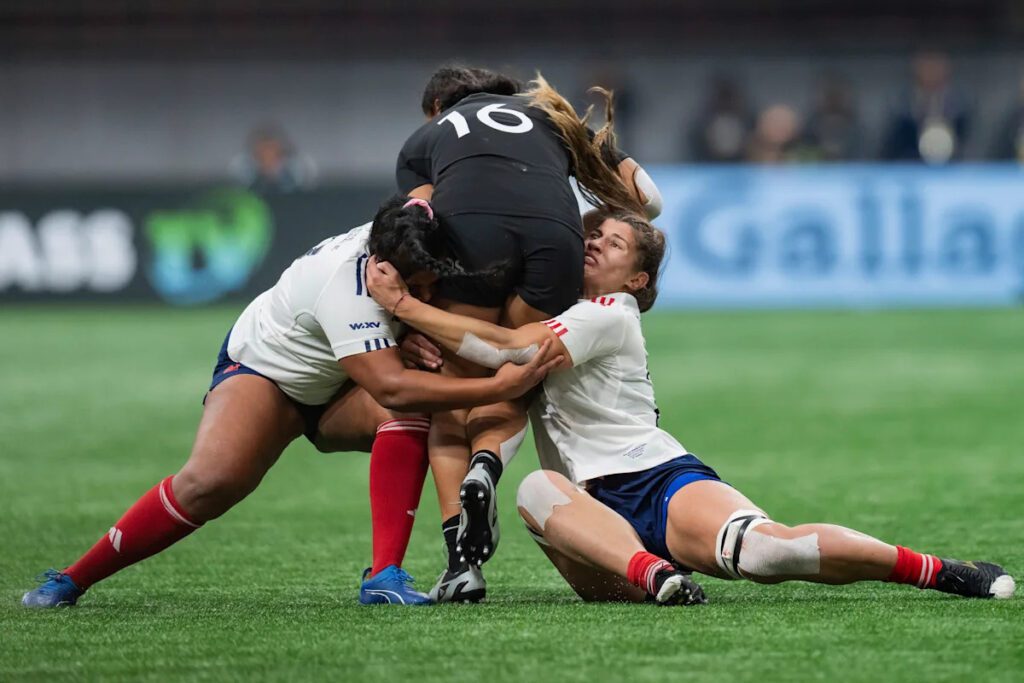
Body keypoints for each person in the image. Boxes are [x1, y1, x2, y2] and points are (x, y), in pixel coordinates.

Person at [367, 206, 1016, 604]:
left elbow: (508, 352)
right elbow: (503, 365)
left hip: (654, 479)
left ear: (636, 280)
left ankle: (935, 570)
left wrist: (405, 308)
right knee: (539, 489)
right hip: (591, 516)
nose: (593, 243)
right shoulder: (552, 306)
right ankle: (656, 574)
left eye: (613, 244)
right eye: (593, 235)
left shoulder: (606, 311)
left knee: (769, 553)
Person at [21, 196, 561, 609]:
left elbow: (422, 191)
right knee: (211, 481)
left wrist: (400, 328)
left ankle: (384, 577)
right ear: (383, 267)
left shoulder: (401, 236)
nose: (421, 298)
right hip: (267, 372)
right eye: (414, 288)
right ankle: (73, 578)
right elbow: (391, 387)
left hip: (335, 382)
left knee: (413, 408)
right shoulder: (346, 287)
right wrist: (495, 389)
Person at [397, 66, 661, 601]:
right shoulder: (550, 113)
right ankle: (487, 466)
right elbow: (648, 199)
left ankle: (460, 561)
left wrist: (407, 316)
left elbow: (415, 231)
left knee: (455, 390)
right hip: (554, 234)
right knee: (517, 371)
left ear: (436, 108)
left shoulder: (425, 137)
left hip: (469, 228)